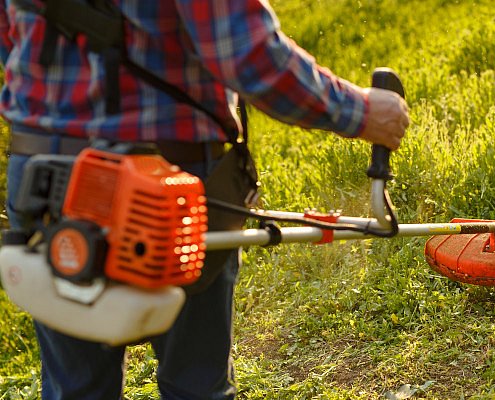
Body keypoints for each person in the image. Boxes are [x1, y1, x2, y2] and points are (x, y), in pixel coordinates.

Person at [0, 0, 409, 398]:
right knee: (195, 384)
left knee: (76, 388)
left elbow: (9, 39)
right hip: (164, 182)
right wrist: (362, 112)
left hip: (42, 173)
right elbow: (247, 55)